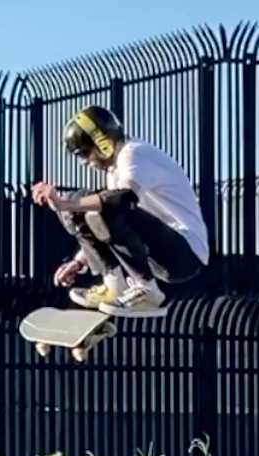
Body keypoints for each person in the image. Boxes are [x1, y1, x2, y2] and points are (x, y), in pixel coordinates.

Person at [30, 105, 209, 318]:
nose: (85, 163)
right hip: (162, 254)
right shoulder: (116, 169)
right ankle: (115, 286)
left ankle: (146, 290)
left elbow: (121, 200)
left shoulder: (133, 153)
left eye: (85, 153)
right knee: (86, 209)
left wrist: (63, 203)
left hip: (185, 252)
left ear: (101, 143)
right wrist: (79, 261)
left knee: (94, 203)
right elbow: (104, 222)